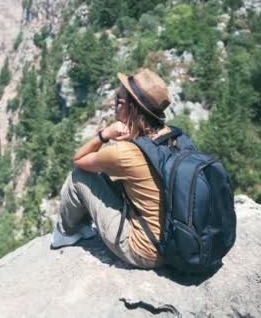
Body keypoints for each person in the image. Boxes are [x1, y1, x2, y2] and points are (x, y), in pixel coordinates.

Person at [51, 68, 172, 269]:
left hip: (143, 251)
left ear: (132, 108)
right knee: (110, 178)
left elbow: (79, 160)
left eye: (119, 101)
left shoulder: (124, 153)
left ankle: (65, 234)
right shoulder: (170, 136)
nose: (113, 105)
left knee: (79, 177)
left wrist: (104, 134)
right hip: (172, 242)